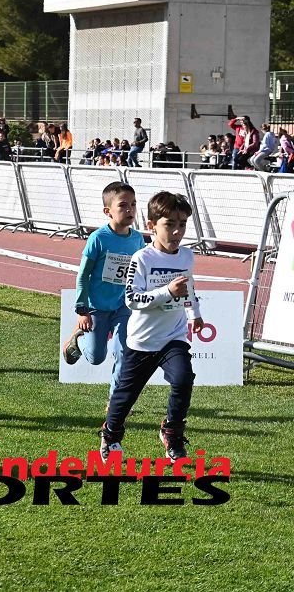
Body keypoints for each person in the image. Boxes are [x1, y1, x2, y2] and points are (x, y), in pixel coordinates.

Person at [99, 191, 203, 463]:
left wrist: (195, 313)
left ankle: (172, 433)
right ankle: (111, 433)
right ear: (151, 226)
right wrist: (167, 291)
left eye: (182, 224)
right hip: (142, 341)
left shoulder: (187, 257)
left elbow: (188, 286)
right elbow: (132, 299)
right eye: (169, 224)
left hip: (173, 337)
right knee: (124, 398)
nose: (177, 231)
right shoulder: (142, 259)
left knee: (183, 379)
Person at [62, 182, 145, 403]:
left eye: (134, 205)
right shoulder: (98, 238)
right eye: (123, 205)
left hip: (122, 306)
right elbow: (83, 275)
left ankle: (114, 401)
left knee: (123, 352)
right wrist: (82, 310)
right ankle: (78, 341)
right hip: (96, 306)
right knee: (96, 358)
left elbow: (139, 273)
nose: (130, 210)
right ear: (107, 211)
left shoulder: (138, 239)